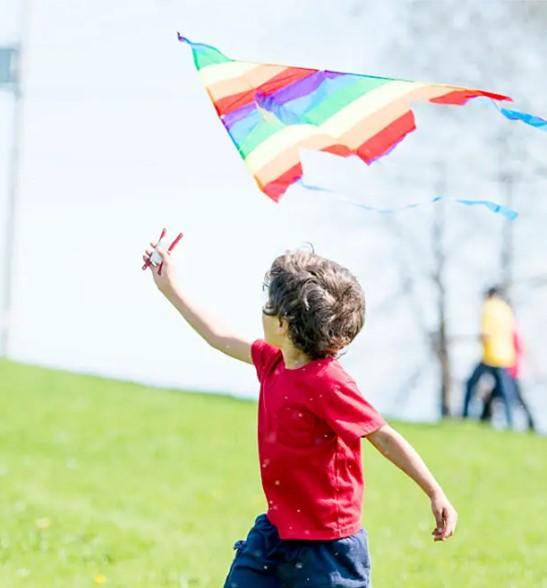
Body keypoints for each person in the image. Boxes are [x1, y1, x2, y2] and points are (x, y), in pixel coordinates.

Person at [142, 243, 457, 587]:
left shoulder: (328, 382)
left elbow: (382, 435)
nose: (261, 311)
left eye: (267, 306)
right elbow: (218, 335)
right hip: (276, 531)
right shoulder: (273, 362)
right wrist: (171, 287)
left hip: (328, 547)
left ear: (284, 323)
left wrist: (434, 492)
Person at [462, 286, 516, 428]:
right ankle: (511, 422)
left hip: (490, 356)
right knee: (505, 393)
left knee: (470, 384)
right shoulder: (506, 309)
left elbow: (486, 334)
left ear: (489, 295)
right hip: (506, 357)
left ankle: (464, 416)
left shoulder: (488, 308)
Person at [480, 328, 535, 431]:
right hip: (507, 370)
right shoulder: (507, 333)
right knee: (499, 396)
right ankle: (484, 420)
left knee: (510, 397)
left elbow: (519, 350)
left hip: (510, 372)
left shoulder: (510, 332)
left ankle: (519, 423)